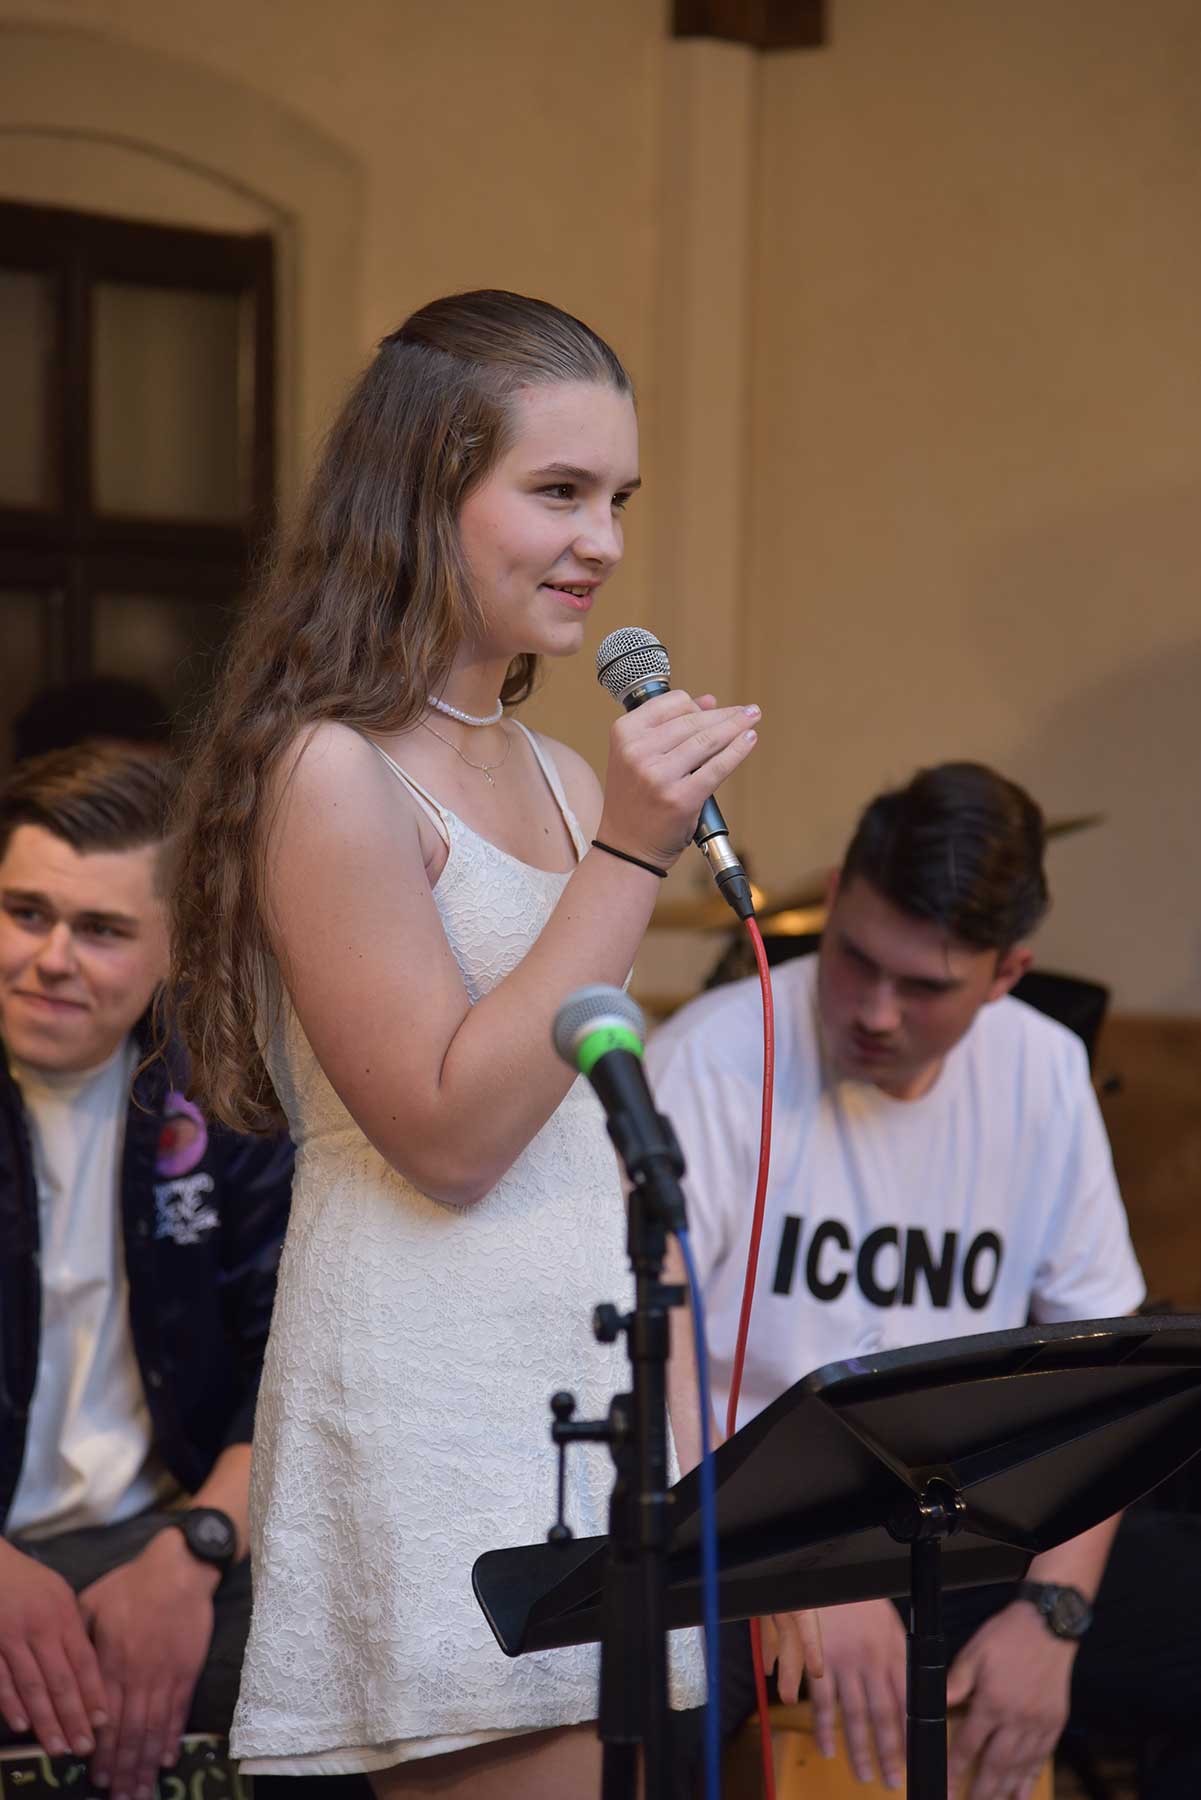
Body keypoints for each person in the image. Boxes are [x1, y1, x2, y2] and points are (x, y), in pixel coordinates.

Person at [168, 290, 814, 1799]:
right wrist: (635, 852)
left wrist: (699, 1457)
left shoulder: (563, 771)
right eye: (558, 491)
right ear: (422, 491)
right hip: (436, 1380)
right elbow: (449, 1135)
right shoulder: (331, 772)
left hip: (594, 1385)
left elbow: (593, 1134)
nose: (601, 540)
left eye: (618, 499)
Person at [648, 761, 1201, 1800]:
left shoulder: (1042, 1071)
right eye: (854, 959)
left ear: (1006, 972)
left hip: (965, 1541)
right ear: (835, 899)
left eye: (926, 987)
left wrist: (1053, 1618)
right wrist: (802, 1566)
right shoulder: (709, 1062)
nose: (875, 1011)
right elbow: (644, 1376)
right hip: (741, 1534)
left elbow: (1109, 1387)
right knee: (648, 1690)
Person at [0, 741, 293, 1800]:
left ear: (175, 948)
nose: (52, 958)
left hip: (164, 1537)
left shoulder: (230, 1098)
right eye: (25, 913)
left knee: (332, 1650)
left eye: (103, 930)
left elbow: (289, 1374)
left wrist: (191, 1555)